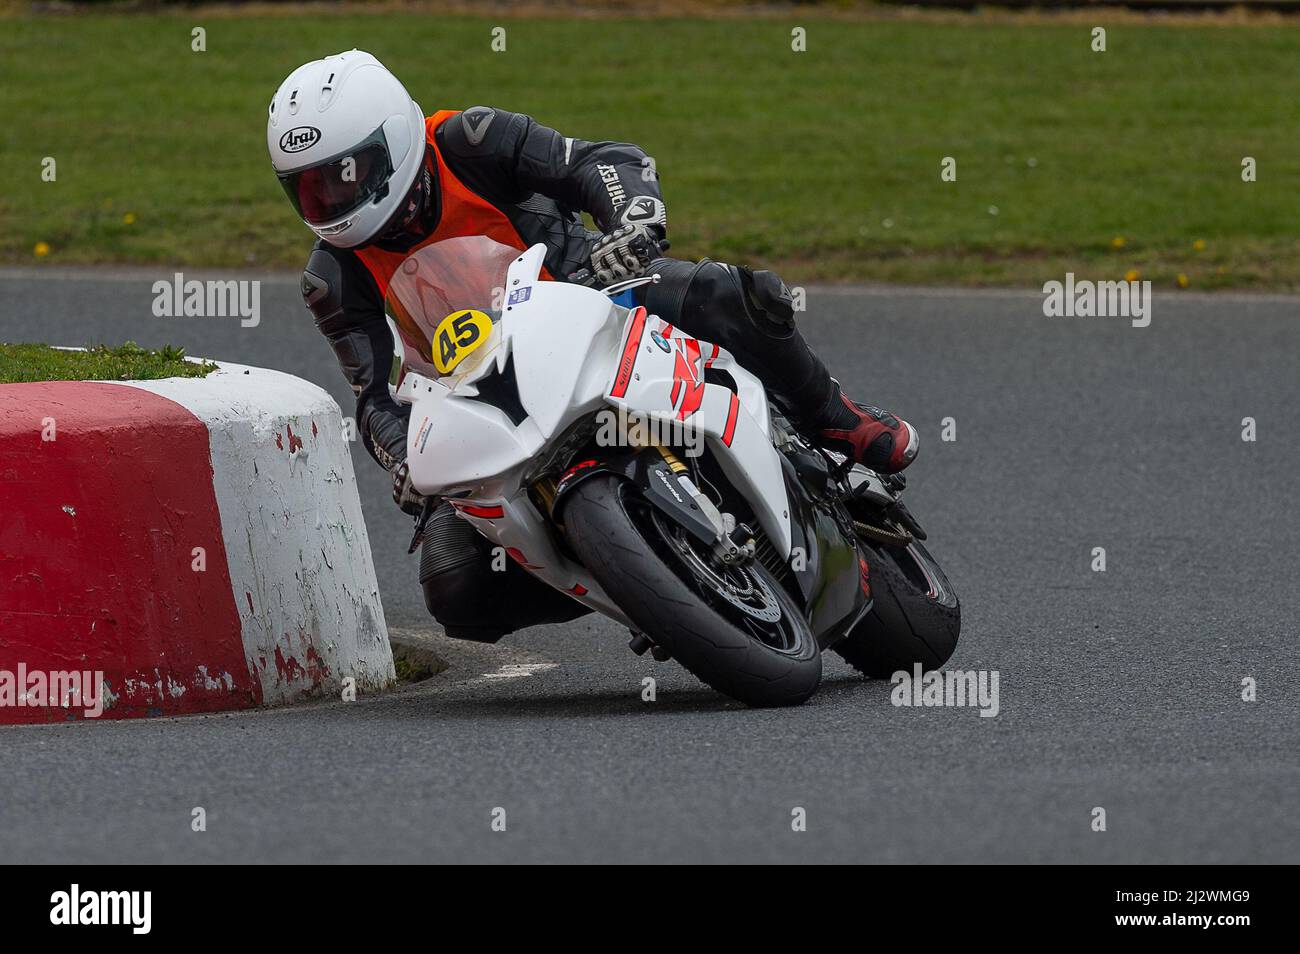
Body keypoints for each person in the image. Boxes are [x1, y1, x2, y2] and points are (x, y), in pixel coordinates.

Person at [268, 50, 917, 641]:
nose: (332, 199)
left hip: (591, 297)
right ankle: (644, 583)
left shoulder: (468, 139)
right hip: (482, 398)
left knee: (736, 293)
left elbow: (595, 162)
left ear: (397, 138)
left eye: (346, 175)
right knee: (454, 587)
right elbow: (373, 395)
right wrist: (401, 458)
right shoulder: (331, 279)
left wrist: (632, 219)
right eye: (311, 186)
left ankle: (835, 417)